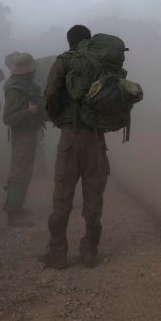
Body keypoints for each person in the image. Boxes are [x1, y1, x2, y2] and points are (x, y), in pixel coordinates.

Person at [41, 24, 108, 269]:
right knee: (93, 201)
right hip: (96, 139)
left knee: (61, 199)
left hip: (70, 136)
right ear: (89, 40)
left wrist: (59, 120)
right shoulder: (103, 63)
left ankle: (58, 255)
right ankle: (90, 252)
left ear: (69, 42)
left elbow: (49, 96)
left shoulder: (63, 61)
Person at [2, 53, 45, 227]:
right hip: (22, 135)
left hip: (29, 132)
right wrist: (30, 112)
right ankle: (13, 215)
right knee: (19, 171)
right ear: (27, 70)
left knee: (24, 171)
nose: (35, 70)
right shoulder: (15, 88)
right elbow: (8, 118)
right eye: (33, 68)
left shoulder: (25, 84)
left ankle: (17, 208)